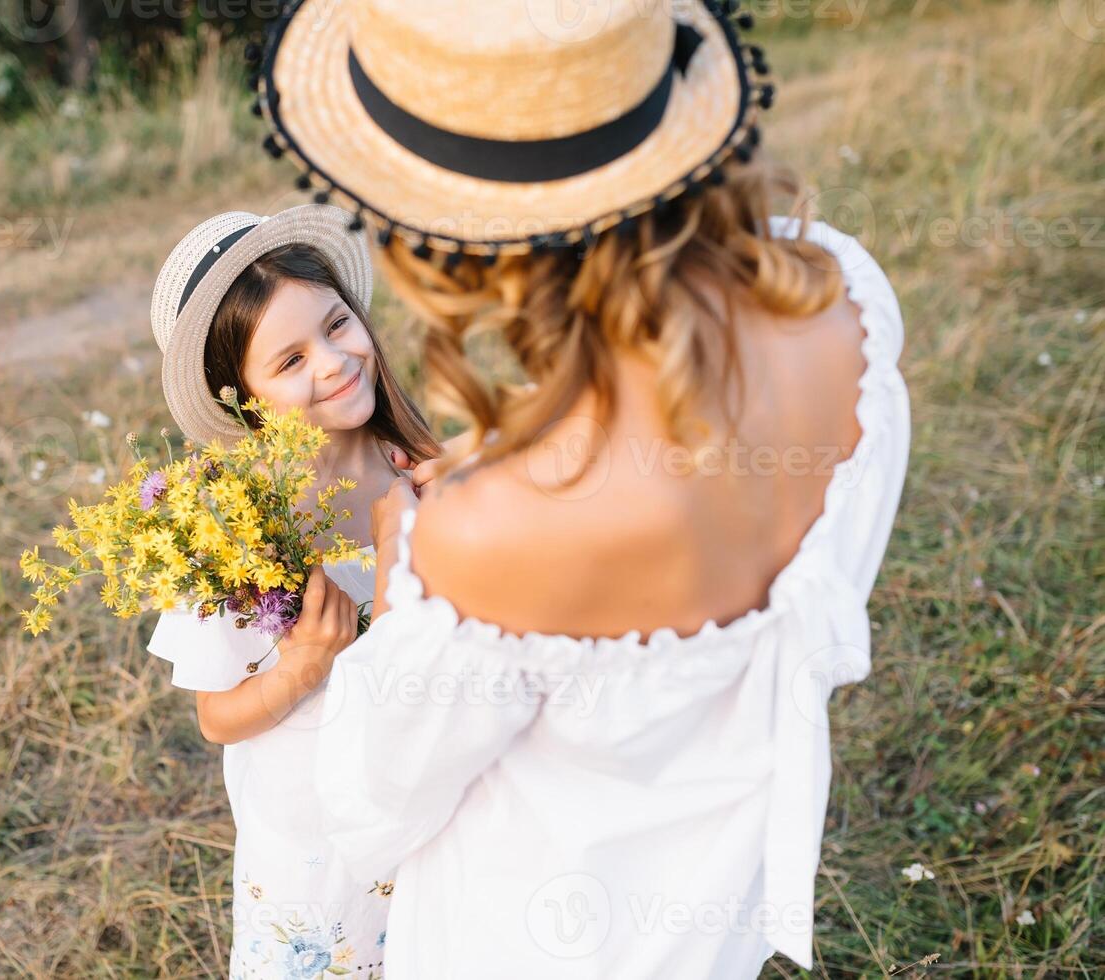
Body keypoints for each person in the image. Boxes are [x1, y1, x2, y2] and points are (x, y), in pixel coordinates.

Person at [253, 0, 912, 976]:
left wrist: (407, 570)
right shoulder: (841, 299)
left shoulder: (480, 537)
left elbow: (366, 811)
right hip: (707, 925)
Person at [142, 204, 440, 977]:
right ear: (239, 396)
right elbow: (217, 717)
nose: (335, 361)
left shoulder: (414, 469)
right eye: (289, 360)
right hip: (316, 862)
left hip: (428, 818)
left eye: (338, 325)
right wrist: (302, 668)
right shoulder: (237, 531)